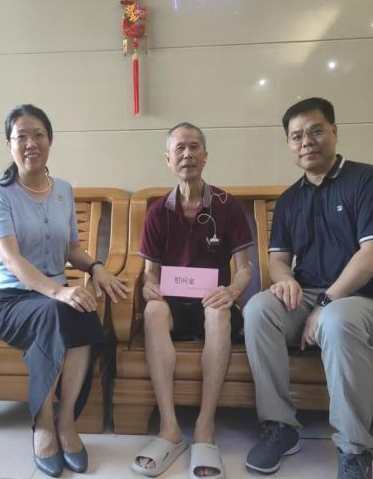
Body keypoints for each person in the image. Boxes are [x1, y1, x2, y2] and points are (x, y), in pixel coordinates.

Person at [243, 97, 373, 479]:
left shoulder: (368, 180)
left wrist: (326, 303)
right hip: (310, 297)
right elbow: (278, 260)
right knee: (258, 310)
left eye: (315, 131)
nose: (306, 142)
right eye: (296, 136)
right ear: (288, 145)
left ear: (334, 131)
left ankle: (354, 450)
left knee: (336, 320)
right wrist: (285, 280)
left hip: (366, 301)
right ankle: (280, 426)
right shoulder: (289, 200)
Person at [0, 104, 128, 477]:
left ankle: (67, 421)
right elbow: (11, 259)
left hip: (53, 298)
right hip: (14, 301)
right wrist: (58, 292)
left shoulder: (63, 190)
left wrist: (96, 268)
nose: (31, 143)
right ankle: (44, 423)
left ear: (50, 140)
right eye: (21, 137)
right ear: (9, 145)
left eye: (38, 135)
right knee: (60, 309)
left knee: (81, 310)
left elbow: (72, 249)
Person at [131, 123, 253, 479]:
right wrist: (149, 287)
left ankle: (204, 427)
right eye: (179, 149)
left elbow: (245, 269)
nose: (187, 154)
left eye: (194, 147)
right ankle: (169, 427)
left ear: (206, 155)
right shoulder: (158, 211)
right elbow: (150, 272)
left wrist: (232, 292)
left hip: (212, 301)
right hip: (173, 303)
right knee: (153, 310)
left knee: (218, 313)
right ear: (168, 159)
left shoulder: (227, 206)